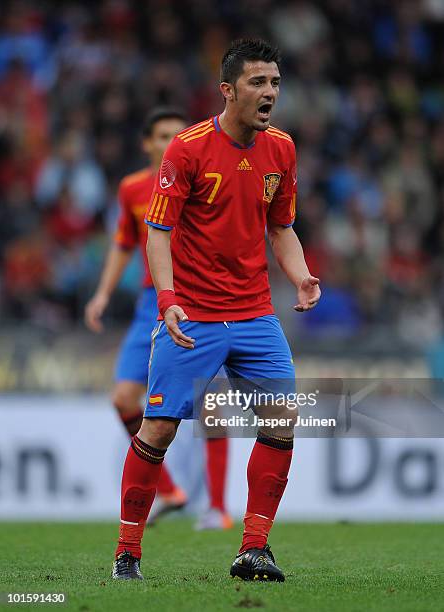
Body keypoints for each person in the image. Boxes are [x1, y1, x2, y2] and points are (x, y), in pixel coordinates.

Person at [112, 39, 321, 583]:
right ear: (228, 90)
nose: (269, 92)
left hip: (255, 315)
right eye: (258, 82)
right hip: (196, 315)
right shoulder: (187, 148)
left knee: (282, 419)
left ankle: (253, 549)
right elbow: (156, 233)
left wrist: (300, 276)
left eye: (274, 82)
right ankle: (127, 553)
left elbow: (281, 226)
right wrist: (169, 300)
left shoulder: (282, 149)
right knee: (158, 428)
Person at [85, 108, 232, 528]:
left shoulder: (204, 177)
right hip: (151, 303)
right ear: (147, 143)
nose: (171, 142)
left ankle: (218, 508)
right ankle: (168, 490)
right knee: (124, 400)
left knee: (211, 406)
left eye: (177, 134)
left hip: (197, 299)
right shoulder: (132, 188)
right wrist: (102, 294)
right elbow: (123, 243)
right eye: (163, 135)